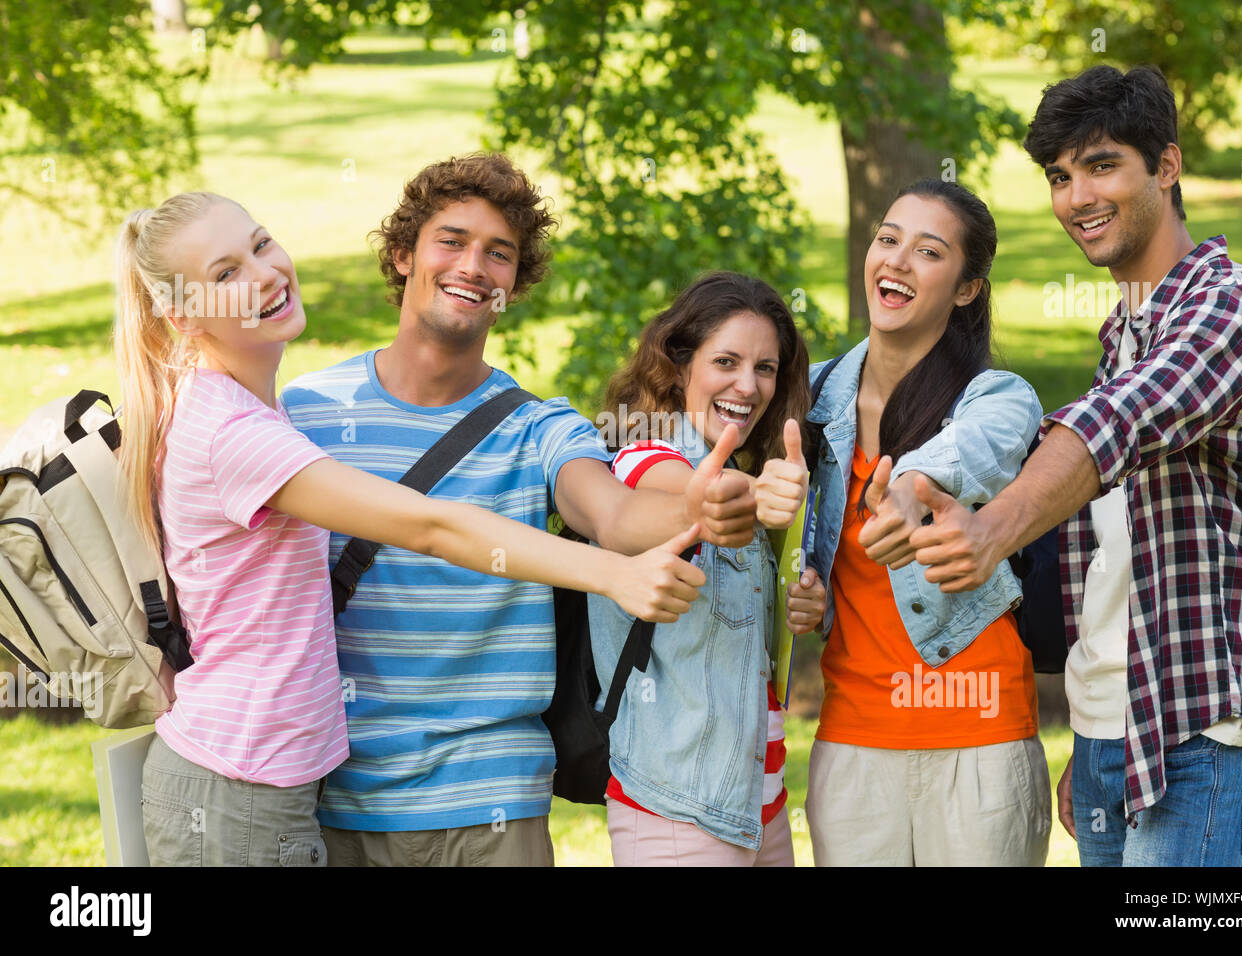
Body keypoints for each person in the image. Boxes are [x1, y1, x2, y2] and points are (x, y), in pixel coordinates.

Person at [113, 190, 708, 867]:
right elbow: (429, 526)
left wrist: (695, 503)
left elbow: (606, 506)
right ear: (183, 316)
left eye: (260, 244)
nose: (264, 273)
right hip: (237, 783)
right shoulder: (237, 431)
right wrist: (615, 573)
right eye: (226, 274)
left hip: (269, 779)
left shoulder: (258, 410)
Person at [281, 154, 759, 867]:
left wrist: (694, 509)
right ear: (402, 254)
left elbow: (613, 516)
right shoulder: (307, 413)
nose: (474, 266)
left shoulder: (540, 427)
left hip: (493, 804)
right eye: (452, 241)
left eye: (498, 253)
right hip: (335, 796)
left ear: (514, 283)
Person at [910, 65, 1242, 866]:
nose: (1077, 197)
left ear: (1167, 166)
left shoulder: (1235, 307)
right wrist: (1091, 736)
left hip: (1204, 729)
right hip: (1111, 733)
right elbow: (1114, 558)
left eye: (1101, 165)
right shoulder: (1122, 336)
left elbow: (1118, 424)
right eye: (1060, 176)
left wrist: (990, 529)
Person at [757, 178, 1051, 866]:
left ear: (967, 289)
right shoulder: (809, 401)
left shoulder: (997, 398)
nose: (896, 260)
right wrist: (804, 589)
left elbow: (978, 447)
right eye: (888, 239)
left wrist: (915, 490)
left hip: (982, 740)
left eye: (929, 251)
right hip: (854, 744)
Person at [587, 271, 824, 866]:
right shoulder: (643, 453)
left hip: (761, 803)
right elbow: (693, 493)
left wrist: (800, 604)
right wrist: (754, 493)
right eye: (725, 361)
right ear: (678, 367)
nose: (747, 385)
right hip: (676, 808)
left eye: (765, 368)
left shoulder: (746, 469)